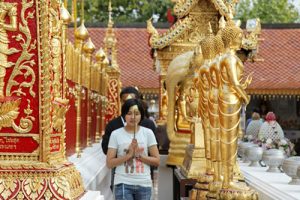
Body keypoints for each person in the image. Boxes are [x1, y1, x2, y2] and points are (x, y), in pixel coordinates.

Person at [101, 86, 157, 191]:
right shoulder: (113, 125)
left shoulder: (148, 125)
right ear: (121, 103)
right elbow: (105, 148)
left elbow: (154, 152)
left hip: (143, 174)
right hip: (121, 174)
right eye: (125, 101)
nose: (132, 116)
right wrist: (125, 153)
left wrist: (139, 155)